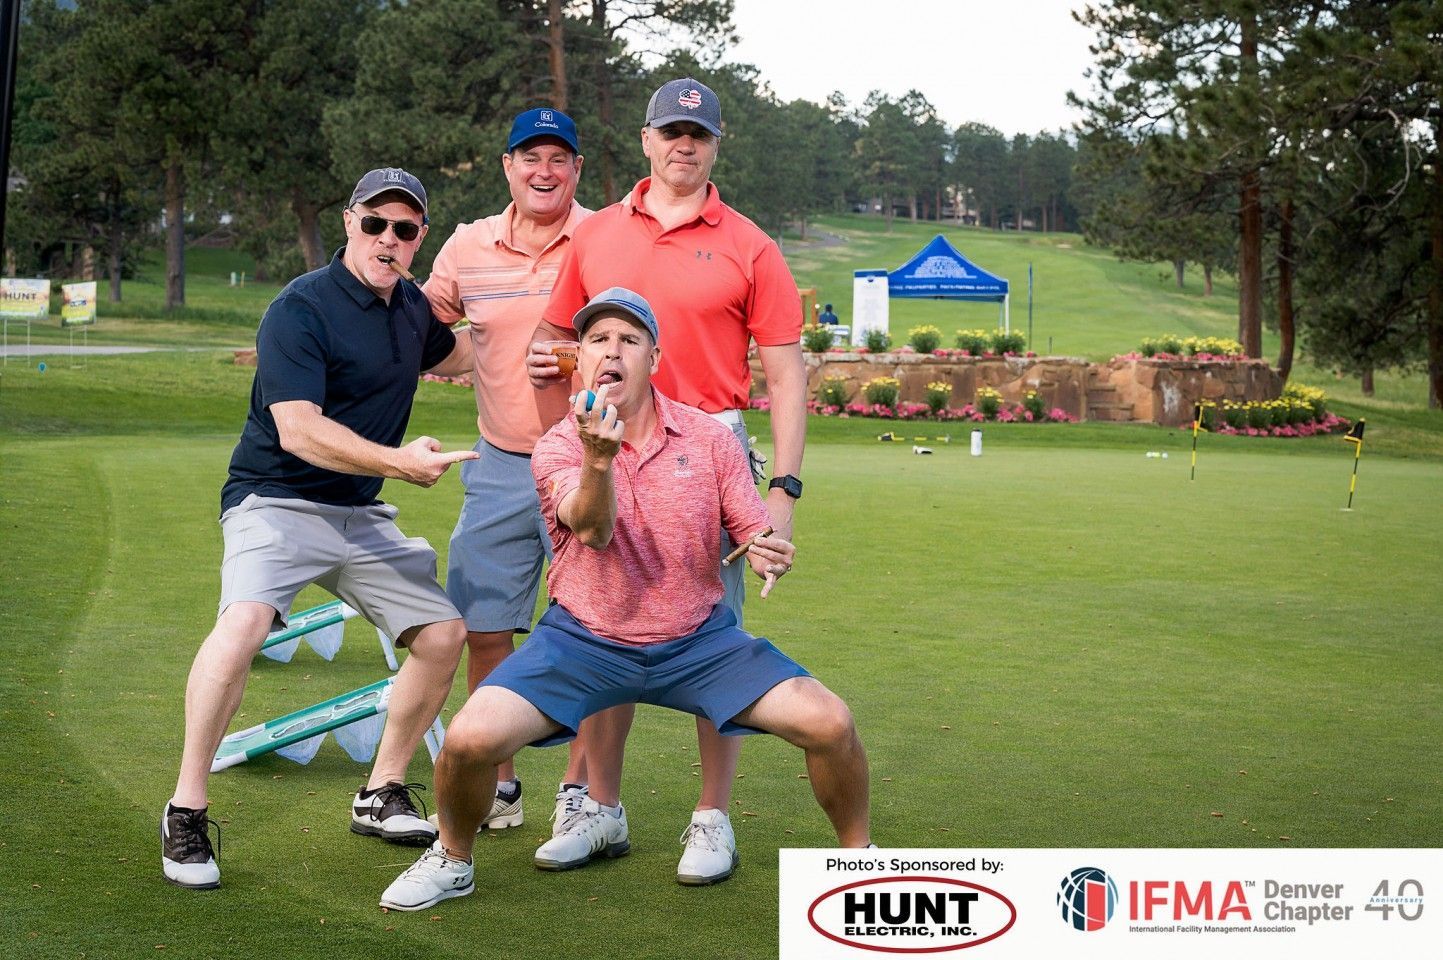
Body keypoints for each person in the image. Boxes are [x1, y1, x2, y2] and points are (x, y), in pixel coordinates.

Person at [380, 288, 869, 912]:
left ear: (654, 358)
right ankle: (452, 858)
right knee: (470, 740)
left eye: (629, 340)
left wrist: (767, 547)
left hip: (699, 641)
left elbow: (752, 527)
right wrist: (599, 462)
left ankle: (859, 866)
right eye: (598, 340)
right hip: (583, 640)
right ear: (580, 359)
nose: (613, 351)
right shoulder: (560, 445)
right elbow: (591, 529)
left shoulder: (710, 439)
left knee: (830, 722)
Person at [526, 76, 808, 885]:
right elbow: (554, 340)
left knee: (714, 635)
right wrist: (563, 419)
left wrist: (782, 493)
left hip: (709, 447)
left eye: (700, 135)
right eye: (671, 132)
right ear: (646, 141)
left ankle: (712, 818)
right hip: (608, 440)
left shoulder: (751, 244)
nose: (684, 145)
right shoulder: (597, 234)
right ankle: (599, 809)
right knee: (606, 621)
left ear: (715, 147)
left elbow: (786, 378)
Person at [161, 167, 476, 890]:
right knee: (243, 625)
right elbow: (298, 431)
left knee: (442, 635)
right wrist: (398, 462)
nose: (387, 239)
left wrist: (527, 339)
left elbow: (462, 354)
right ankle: (185, 808)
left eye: (404, 228)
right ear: (348, 223)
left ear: (419, 237)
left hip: (358, 513)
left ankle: (380, 790)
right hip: (274, 499)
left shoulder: (411, 310)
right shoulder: (298, 308)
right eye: (375, 224)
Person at [422, 107, 591, 832]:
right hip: (500, 464)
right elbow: (418, 328)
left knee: (598, 630)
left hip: (595, 464)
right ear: (507, 166)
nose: (543, 171)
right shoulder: (466, 246)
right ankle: (502, 785)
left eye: (558, 158)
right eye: (530, 157)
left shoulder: (605, 236)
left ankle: (583, 793)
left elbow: (646, 340)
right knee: (483, 626)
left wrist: (578, 359)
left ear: (576, 170)